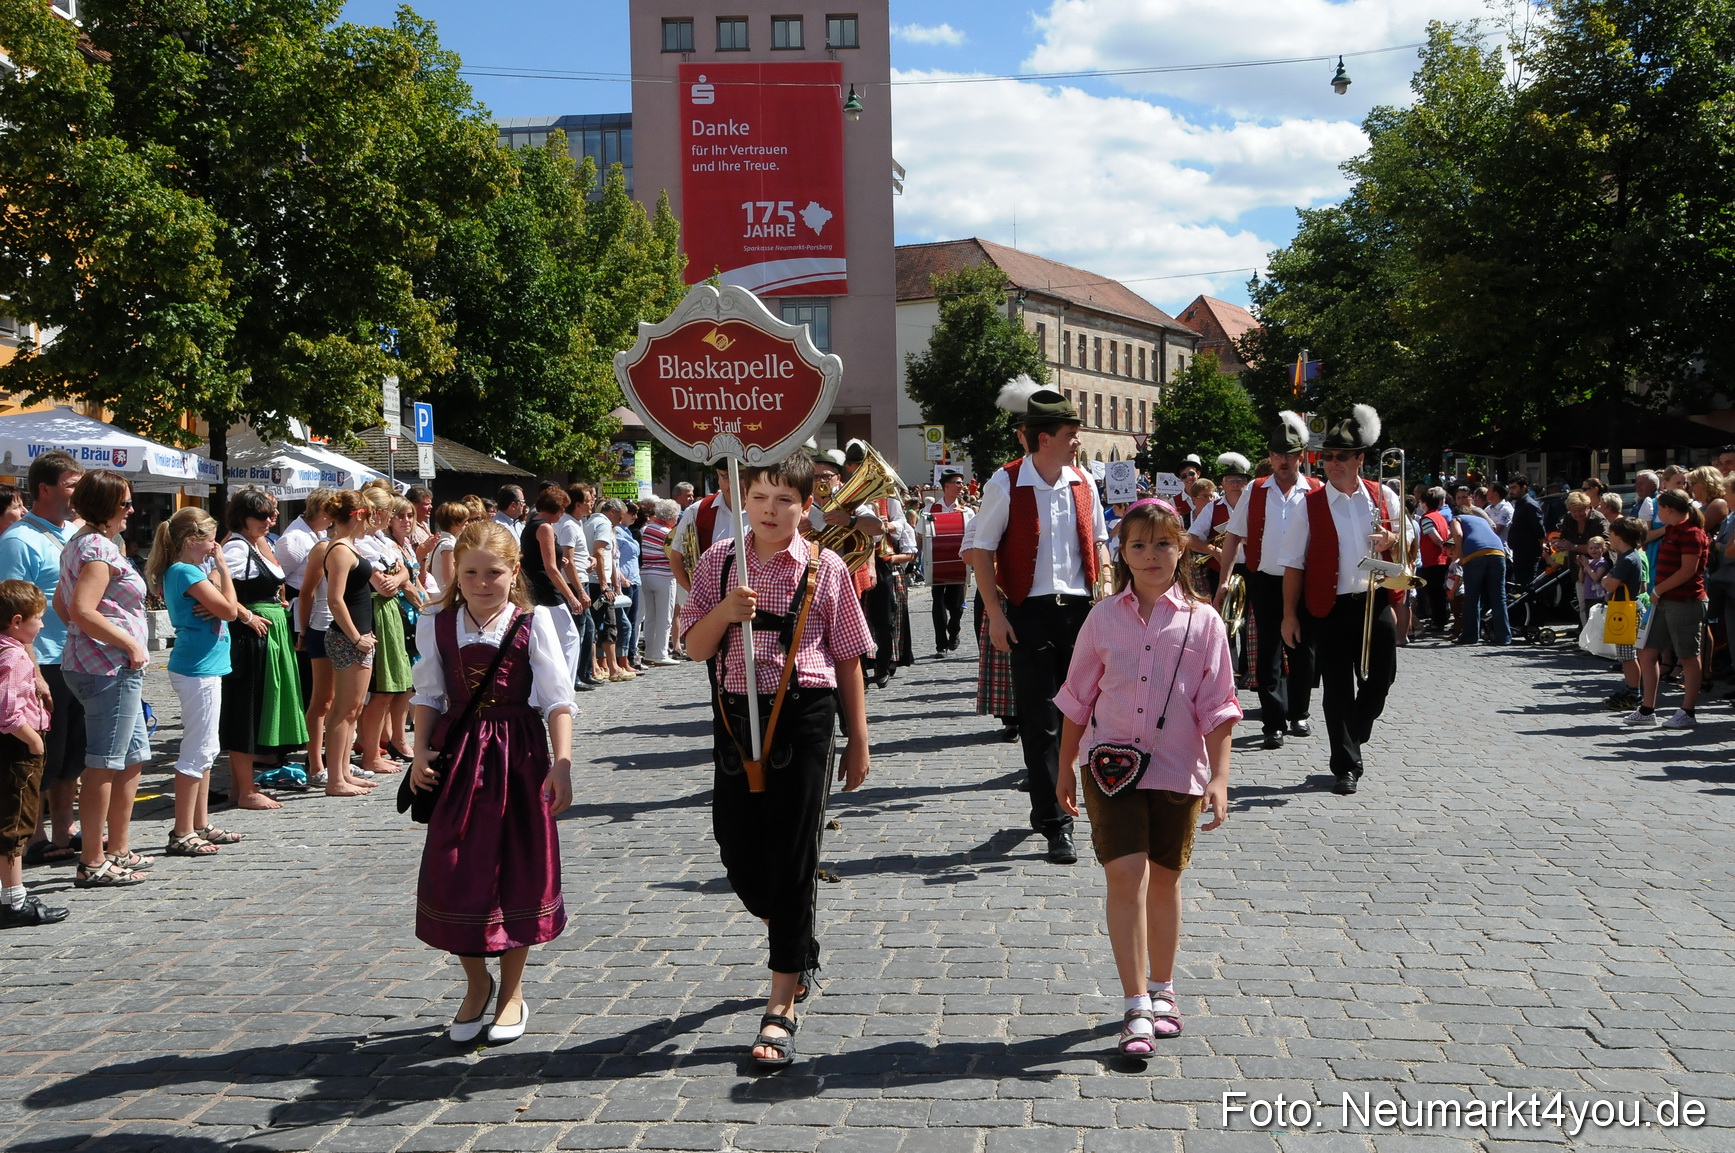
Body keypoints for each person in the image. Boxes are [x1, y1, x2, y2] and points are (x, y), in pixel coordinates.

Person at [680, 451, 873, 1068]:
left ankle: (781, 1002)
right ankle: (795, 932)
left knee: (793, 856)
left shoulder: (826, 566)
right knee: (736, 849)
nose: (770, 510)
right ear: (745, 499)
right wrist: (724, 612)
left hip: (804, 714)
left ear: (805, 506)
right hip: (735, 715)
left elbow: (848, 656)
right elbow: (693, 648)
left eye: (784, 499)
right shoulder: (719, 561)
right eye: (760, 497)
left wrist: (859, 738)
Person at [1054, 500, 1239, 1053]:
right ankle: (1135, 1003)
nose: (1151, 555)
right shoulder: (1102, 618)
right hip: (1108, 767)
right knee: (1125, 874)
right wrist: (1064, 768)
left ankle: (1163, 989)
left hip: (1178, 766)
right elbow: (1076, 698)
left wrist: (1220, 776)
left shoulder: (1204, 621)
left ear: (1181, 547)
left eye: (1162, 543)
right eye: (1138, 545)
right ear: (1123, 553)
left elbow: (1218, 705)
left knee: (1164, 879)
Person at [408, 520, 573, 1045]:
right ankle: (477, 983)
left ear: (514, 571)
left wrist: (562, 762)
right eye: (471, 572)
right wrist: (419, 751)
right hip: (459, 755)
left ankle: (512, 991)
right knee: (455, 868)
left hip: (518, 754)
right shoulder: (436, 621)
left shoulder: (532, 621)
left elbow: (557, 699)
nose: (482, 583)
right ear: (455, 572)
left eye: (494, 572)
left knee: (517, 869)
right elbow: (428, 694)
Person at [966, 377, 1109, 866]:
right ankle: (1055, 823)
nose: (1078, 440)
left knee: (1085, 714)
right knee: (1041, 720)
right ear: (1045, 438)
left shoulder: (1083, 481)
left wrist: (1108, 584)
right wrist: (995, 613)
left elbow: (1099, 542)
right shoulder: (1005, 482)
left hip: (1082, 613)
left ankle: (1088, 801)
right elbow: (980, 550)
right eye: (1071, 433)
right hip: (1030, 613)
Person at [1277, 405, 1402, 795]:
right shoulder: (1309, 505)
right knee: (1337, 688)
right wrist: (1289, 615)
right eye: (1328, 456)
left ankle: (1356, 728)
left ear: (1360, 459)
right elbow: (1292, 564)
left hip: (1374, 601)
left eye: (1342, 456)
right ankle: (1346, 765)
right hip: (1327, 607)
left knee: (1382, 678)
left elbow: (1405, 548)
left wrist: (1393, 539)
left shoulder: (1383, 496)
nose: (1333, 463)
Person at [59, 470, 152, 887]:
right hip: (108, 667)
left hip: (101, 663)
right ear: (106, 507)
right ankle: (92, 860)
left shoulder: (82, 542)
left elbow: (64, 606)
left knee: (132, 755)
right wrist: (129, 643)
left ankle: (117, 848)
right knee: (105, 761)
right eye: (125, 503)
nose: (131, 510)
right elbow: (81, 608)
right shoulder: (96, 548)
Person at [1213, 413, 1320, 750]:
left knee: (1303, 648)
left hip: (1305, 580)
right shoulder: (1256, 489)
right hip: (1265, 578)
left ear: (1300, 456)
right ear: (1270, 457)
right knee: (1268, 650)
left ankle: (1299, 712)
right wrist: (1224, 580)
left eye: (1289, 455)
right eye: (1277, 455)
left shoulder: (1315, 489)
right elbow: (1233, 536)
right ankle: (1273, 722)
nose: (1283, 461)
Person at [0, 451, 85, 869]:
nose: (78, 493)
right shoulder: (18, 540)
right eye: (71, 485)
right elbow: (11, 613)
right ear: (44, 489)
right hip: (44, 659)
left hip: (78, 657)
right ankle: (33, 836)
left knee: (71, 755)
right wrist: (33, 673)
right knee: (42, 755)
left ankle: (65, 828)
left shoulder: (74, 532)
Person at [147, 508, 242, 855]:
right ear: (191, 540)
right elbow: (230, 610)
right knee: (197, 750)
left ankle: (200, 823)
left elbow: (222, 603)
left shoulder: (188, 570)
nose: (215, 547)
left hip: (204, 665)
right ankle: (182, 830)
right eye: (210, 540)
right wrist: (223, 568)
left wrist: (216, 589)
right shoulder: (185, 571)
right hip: (197, 668)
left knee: (208, 749)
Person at [221, 488, 305, 810]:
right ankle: (245, 790)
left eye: (271, 514)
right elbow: (215, 583)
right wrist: (246, 614)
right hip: (252, 639)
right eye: (262, 516)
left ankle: (239, 788)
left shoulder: (257, 544)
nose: (270, 520)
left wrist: (275, 600)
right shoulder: (237, 548)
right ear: (243, 517)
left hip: (271, 634)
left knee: (256, 707)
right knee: (248, 709)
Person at [0, 580, 68, 926]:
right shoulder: (13, 656)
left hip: (13, 747)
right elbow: (7, 712)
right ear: (17, 622)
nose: (42, 625)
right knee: (16, 824)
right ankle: (14, 901)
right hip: (18, 750)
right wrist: (34, 741)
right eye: (38, 618)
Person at [318, 491, 383, 797]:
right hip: (348, 638)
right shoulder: (341, 550)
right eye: (368, 516)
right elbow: (335, 599)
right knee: (344, 710)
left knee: (353, 709)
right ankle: (335, 778)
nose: (371, 522)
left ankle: (343, 771)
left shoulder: (348, 546)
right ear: (358, 515)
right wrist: (356, 637)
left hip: (358, 637)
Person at [1626, 489, 1708, 729]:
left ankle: (1688, 711)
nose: (1657, 513)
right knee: (1646, 651)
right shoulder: (1672, 530)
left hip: (1684, 602)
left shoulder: (1692, 533)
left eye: (1659, 508)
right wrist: (1659, 593)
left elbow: (1688, 570)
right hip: (1662, 601)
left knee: (1688, 655)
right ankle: (1647, 709)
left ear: (1668, 509)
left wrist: (1659, 590)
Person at [354, 489, 415, 777]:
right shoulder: (361, 543)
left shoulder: (382, 540)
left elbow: (404, 572)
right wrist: (395, 578)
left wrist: (399, 577)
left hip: (391, 612)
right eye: (389, 511)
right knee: (381, 689)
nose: (391, 517)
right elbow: (383, 585)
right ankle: (370, 752)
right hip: (376, 611)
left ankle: (382, 744)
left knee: (396, 685)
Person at [521, 486, 585, 682]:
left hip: (534, 588)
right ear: (556, 508)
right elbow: (550, 569)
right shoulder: (545, 527)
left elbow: (536, 558)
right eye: (562, 509)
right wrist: (572, 597)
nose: (562, 513)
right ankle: (564, 687)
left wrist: (559, 560)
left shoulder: (531, 524)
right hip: (547, 590)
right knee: (570, 638)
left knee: (547, 641)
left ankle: (550, 687)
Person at [918, 470, 972, 655]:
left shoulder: (967, 511)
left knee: (956, 605)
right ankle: (940, 645)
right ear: (947, 486)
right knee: (938, 602)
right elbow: (921, 535)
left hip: (958, 563)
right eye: (958, 482)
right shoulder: (929, 510)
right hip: (937, 563)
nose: (961, 486)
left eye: (961, 483)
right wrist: (920, 558)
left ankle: (954, 628)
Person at [1602, 518, 1649, 711]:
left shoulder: (1628, 559)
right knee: (1626, 654)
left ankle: (1633, 691)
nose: (1609, 538)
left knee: (1628, 655)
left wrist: (1606, 580)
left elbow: (1610, 584)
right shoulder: (1628, 556)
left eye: (1611, 534)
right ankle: (1631, 688)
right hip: (1627, 609)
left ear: (1620, 536)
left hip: (1627, 610)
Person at [1452, 505, 1511, 646]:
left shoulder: (1457, 518)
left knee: (1472, 597)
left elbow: (1458, 534)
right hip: (1498, 552)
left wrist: (1460, 555)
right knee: (1499, 597)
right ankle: (1504, 637)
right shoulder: (1481, 520)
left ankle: (1470, 636)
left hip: (1475, 553)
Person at [638, 499, 681, 666]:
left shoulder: (647, 529)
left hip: (646, 574)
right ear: (671, 517)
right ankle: (661, 653)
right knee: (665, 618)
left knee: (650, 617)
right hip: (664, 576)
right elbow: (674, 556)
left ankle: (649, 653)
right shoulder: (668, 534)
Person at [1416, 489, 1454, 634]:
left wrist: (1442, 546)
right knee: (1439, 591)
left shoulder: (1427, 518)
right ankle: (1441, 618)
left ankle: (1438, 621)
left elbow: (1436, 538)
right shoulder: (1440, 517)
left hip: (1432, 560)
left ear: (1425, 503)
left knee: (1434, 593)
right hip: (1442, 559)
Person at [615, 502, 644, 671]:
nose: (635, 516)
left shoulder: (628, 532)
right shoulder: (616, 532)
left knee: (632, 621)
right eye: (631, 513)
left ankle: (631, 655)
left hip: (634, 580)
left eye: (636, 513)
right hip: (624, 581)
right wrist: (622, 578)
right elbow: (613, 558)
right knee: (624, 623)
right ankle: (622, 658)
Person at [1506, 475, 1546, 587]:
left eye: (1514, 487)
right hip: (1518, 552)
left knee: (1528, 585)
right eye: (1510, 488)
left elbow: (1539, 530)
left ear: (1524, 487)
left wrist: (1542, 549)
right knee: (1520, 584)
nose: (1511, 491)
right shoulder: (1518, 504)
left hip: (1529, 554)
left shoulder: (1530, 505)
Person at [424, 502, 470, 600]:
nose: (467, 523)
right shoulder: (448, 545)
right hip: (445, 598)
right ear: (454, 522)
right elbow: (449, 579)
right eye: (464, 520)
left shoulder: (439, 540)